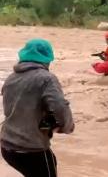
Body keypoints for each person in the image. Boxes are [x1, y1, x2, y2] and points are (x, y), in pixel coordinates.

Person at [0, 39, 74, 177]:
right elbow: (59, 106)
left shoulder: (11, 78)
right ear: (47, 59)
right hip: (31, 148)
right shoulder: (47, 78)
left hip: (6, 147)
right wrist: (66, 127)